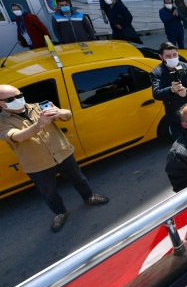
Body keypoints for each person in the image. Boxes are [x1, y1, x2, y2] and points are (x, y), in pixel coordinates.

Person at [0, 84, 109, 233]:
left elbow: (67, 116)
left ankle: (89, 197)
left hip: (62, 153)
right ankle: (60, 213)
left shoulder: (38, 107)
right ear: (1, 103)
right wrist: (39, 124)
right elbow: (16, 137)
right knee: (49, 192)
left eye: (19, 95)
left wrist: (59, 112)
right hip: (37, 164)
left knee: (79, 178)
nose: (18, 99)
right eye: (11, 98)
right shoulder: (2, 121)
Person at [150, 42, 187, 140]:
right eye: (168, 56)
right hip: (176, 118)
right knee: (183, 147)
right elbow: (157, 94)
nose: (172, 58)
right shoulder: (157, 73)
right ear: (161, 57)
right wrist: (171, 90)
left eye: (174, 55)